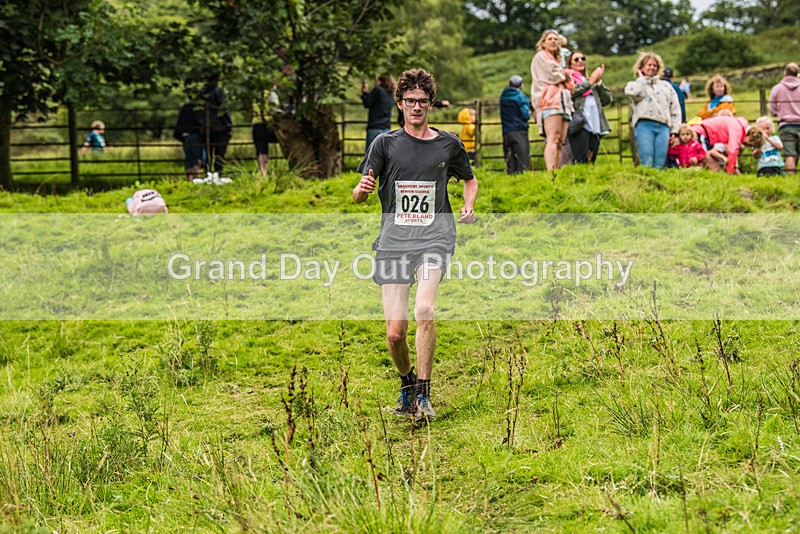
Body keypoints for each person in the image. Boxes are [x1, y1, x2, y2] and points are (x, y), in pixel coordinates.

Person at [352, 68, 478, 421]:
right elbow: (360, 192)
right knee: (395, 333)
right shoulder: (384, 144)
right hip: (393, 242)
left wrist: (468, 204)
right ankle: (407, 386)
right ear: (401, 104)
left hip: (434, 238)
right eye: (410, 101)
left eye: (423, 102)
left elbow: (470, 180)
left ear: (431, 104)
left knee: (424, 310)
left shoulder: (448, 144)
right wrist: (360, 192)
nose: (417, 107)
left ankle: (423, 393)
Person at [625, 52, 681, 169]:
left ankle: (658, 185)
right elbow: (634, 94)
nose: (652, 68)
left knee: (660, 161)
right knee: (647, 160)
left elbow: (675, 108)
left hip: (663, 126)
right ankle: (647, 184)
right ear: (642, 67)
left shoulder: (666, 86)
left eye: (654, 65)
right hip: (644, 124)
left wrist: (675, 131)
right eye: (649, 65)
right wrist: (641, 80)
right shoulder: (634, 84)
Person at [531, 29, 574, 170]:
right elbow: (553, 75)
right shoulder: (541, 57)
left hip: (562, 100)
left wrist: (564, 74)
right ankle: (551, 171)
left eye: (555, 39)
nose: (554, 41)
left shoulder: (556, 59)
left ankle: (557, 169)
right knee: (553, 138)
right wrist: (565, 74)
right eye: (550, 39)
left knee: (561, 140)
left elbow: (561, 73)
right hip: (549, 100)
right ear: (543, 43)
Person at [564, 51, 612, 164]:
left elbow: (607, 100)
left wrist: (598, 83)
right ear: (570, 64)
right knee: (580, 158)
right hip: (580, 123)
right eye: (576, 59)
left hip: (595, 123)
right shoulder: (568, 79)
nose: (580, 61)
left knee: (592, 157)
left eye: (583, 58)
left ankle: (589, 180)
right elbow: (572, 92)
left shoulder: (590, 81)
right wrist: (590, 82)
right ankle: (578, 179)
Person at [690, 115, 762, 174]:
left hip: (706, 135)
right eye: (748, 144)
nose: (746, 145)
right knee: (709, 162)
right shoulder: (737, 129)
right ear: (749, 136)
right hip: (701, 133)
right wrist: (730, 171)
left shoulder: (738, 125)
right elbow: (733, 151)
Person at [199, 73, 233, 178]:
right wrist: (228, 125)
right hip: (220, 128)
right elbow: (223, 110)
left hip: (205, 127)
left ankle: (207, 173)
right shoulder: (219, 92)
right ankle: (218, 174)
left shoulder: (201, 93)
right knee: (219, 154)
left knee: (208, 152)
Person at [769, 63, 800, 175]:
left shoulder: (777, 89)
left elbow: (772, 110)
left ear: (785, 73)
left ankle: (791, 179)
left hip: (786, 125)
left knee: (790, 155)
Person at [500, 75, 531, 174]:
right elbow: (526, 115)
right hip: (519, 130)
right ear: (520, 85)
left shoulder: (503, 96)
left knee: (510, 159)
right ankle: (522, 179)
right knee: (522, 159)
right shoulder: (520, 97)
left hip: (506, 131)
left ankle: (510, 179)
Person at [361, 75, 396, 152]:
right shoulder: (390, 93)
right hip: (386, 128)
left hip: (374, 127)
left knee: (371, 157)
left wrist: (365, 93)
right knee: (383, 156)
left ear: (380, 81)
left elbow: (367, 103)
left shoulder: (377, 90)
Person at [252, 90, 281, 175]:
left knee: (261, 151)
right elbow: (274, 110)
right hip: (269, 124)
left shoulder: (256, 94)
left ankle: (263, 173)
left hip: (257, 124)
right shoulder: (271, 94)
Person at [174, 102, 204, 180]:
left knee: (189, 160)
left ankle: (190, 179)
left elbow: (178, 128)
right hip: (196, 137)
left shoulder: (186, 107)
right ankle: (197, 178)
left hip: (186, 137)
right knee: (197, 160)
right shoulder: (200, 107)